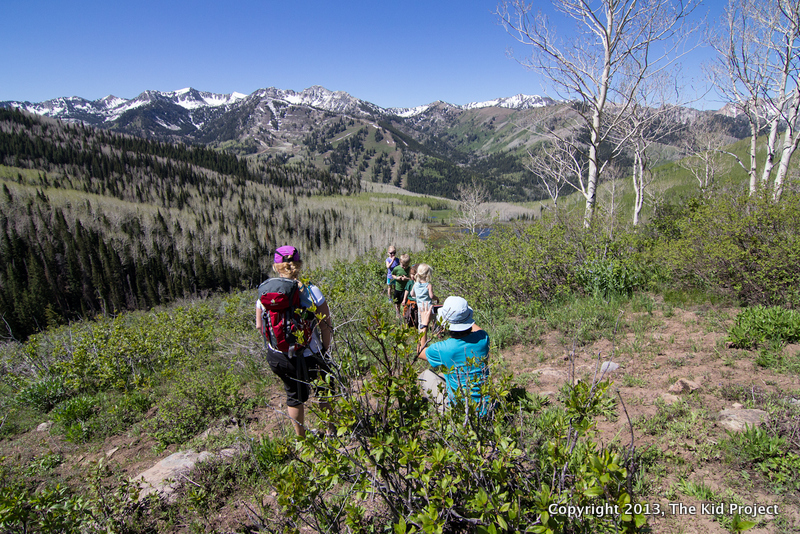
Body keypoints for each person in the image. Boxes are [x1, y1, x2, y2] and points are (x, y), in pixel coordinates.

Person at [256, 245, 333, 438]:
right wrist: (324, 349)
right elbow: (326, 325)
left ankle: (301, 439)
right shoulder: (311, 290)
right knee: (324, 390)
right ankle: (331, 430)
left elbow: (259, 326)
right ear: (298, 264)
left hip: (279, 355)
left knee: (294, 396)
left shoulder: (265, 293)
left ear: (276, 266)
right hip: (310, 353)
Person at [416, 297, 490, 415]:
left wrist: (424, 324)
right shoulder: (483, 339)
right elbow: (476, 329)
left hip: (460, 412)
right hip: (486, 408)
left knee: (426, 375)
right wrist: (463, 315)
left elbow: (420, 352)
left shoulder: (445, 348)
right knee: (441, 375)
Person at [409, 263, 435, 330]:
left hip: (420, 307)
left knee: (421, 323)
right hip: (428, 307)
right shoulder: (428, 285)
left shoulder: (415, 285)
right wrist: (436, 298)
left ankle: (421, 336)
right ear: (427, 275)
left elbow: (412, 294)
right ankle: (434, 332)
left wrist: (416, 296)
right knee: (432, 320)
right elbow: (431, 296)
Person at [390, 253, 411, 318]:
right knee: (397, 303)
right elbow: (392, 274)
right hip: (398, 289)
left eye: (406, 265)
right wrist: (397, 278)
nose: (404, 267)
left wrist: (406, 279)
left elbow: (413, 278)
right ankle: (398, 315)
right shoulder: (397, 268)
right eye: (403, 265)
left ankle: (405, 315)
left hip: (406, 290)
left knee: (406, 303)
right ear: (400, 262)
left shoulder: (410, 269)